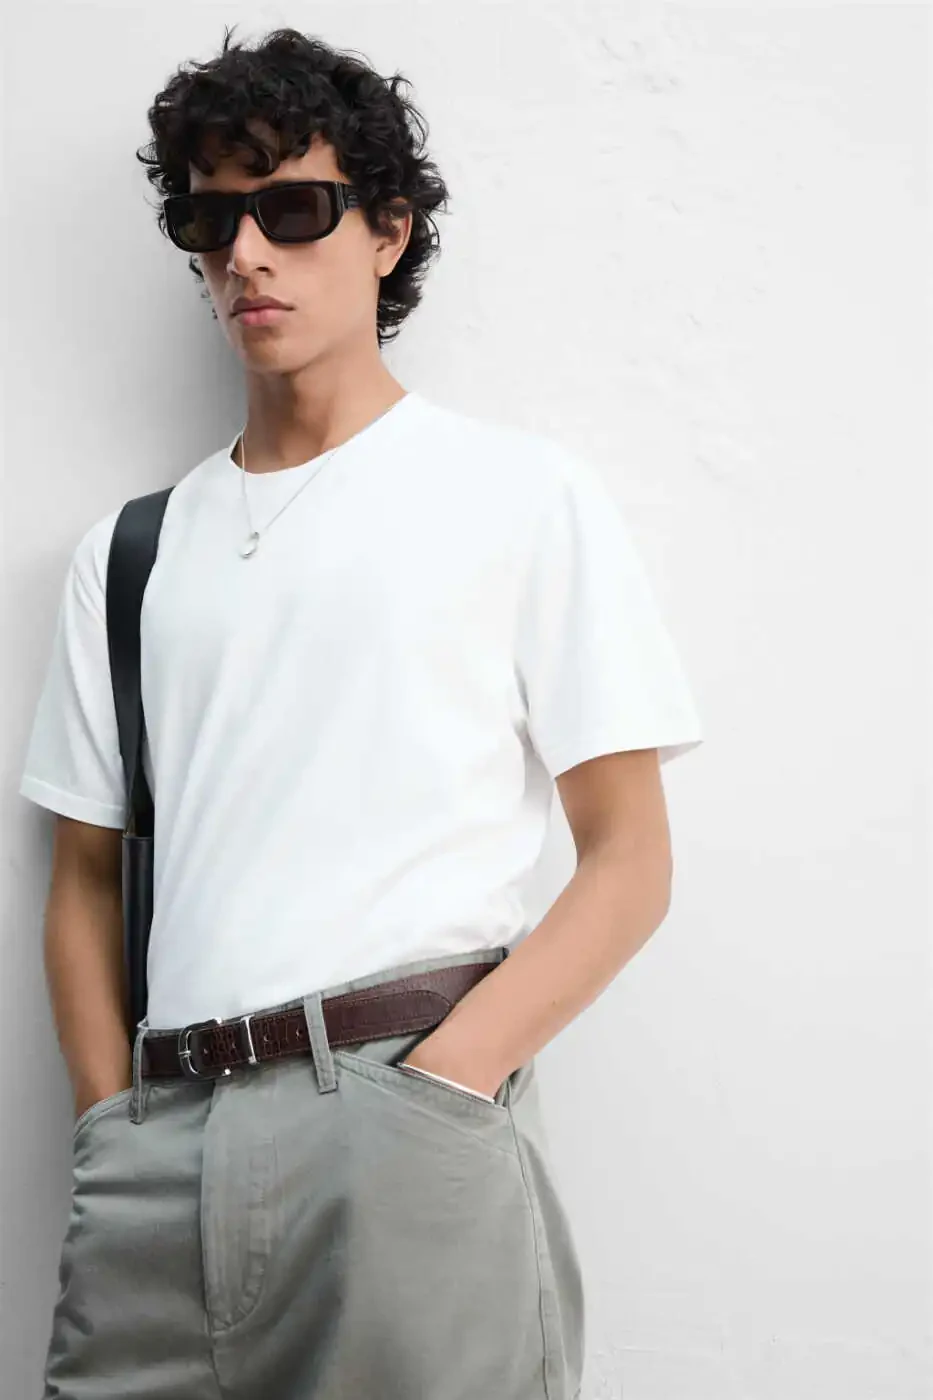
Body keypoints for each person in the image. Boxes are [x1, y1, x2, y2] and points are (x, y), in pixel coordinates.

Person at [18, 24, 704, 1400]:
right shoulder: (131, 552)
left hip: (401, 1115)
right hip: (160, 1147)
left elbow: (629, 855)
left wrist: (449, 1080)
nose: (246, 253)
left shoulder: (516, 498)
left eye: (293, 209)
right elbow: (85, 874)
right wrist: (110, 1128)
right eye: (211, 219)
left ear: (387, 231)